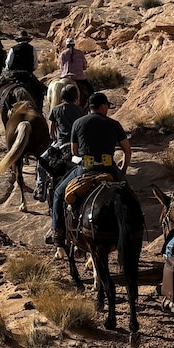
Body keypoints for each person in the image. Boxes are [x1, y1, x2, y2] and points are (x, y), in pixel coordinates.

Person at [49, 92, 131, 246]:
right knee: (130, 196)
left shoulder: (78, 123)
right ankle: (134, 229)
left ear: (90, 107)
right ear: (103, 106)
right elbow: (127, 150)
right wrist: (123, 169)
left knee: (59, 193)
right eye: (107, 106)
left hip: (86, 168)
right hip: (109, 168)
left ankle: (58, 233)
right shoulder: (114, 124)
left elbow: (74, 151)